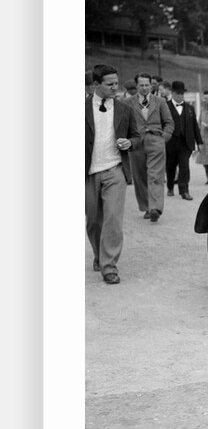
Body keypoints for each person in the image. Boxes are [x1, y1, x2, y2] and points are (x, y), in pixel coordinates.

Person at [85, 64, 141, 284]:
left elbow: (137, 137)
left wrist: (130, 142)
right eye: (109, 84)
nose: (115, 87)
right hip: (87, 173)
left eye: (117, 83)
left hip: (115, 170)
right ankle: (99, 255)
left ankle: (109, 266)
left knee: (113, 220)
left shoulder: (125, 109)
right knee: (93, 221)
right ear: (96, 85)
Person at [126, 72, 175, 222]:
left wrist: (163, 138)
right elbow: (123, 123)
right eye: (141, 85)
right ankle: (146, 207)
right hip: (136, 143)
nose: (145, 88)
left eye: (147, 85)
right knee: (139, 177)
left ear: (151, 85)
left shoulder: (160, 101)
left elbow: (169, 122)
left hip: (156, 141)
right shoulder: (128, 103)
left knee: (155, 175)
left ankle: (155, 208)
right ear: (136, 86)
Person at [165, 81, 203, 200]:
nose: (180, 96)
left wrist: (199, 142)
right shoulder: (165, 106)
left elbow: (195, 126)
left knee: (184, 166)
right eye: (177, 94)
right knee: (170, 167)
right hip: (170, 142)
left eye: (182, 94)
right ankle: (170, 186)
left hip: (186, 143)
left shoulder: (189, 108)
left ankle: (184, 190)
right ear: (172, 93)